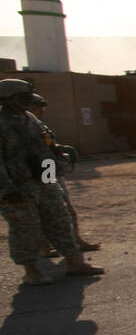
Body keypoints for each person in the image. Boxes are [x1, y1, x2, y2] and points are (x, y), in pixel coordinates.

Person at [0, 79, 104, 286]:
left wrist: (57, 163)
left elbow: (46, 146)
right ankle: (31, 270)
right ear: (8, 99)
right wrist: (8, 190)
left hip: (45, 179)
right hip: (18, 186)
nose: (28, 102)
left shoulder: (30, 119)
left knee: (60, 219)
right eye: (23, 98)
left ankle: (74, 262)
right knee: (25, 227)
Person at [24, 93, 99, 256]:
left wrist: (60, 149)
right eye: (38, 107)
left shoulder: (37, 125)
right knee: (42, 209)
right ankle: (44, 246)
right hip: (37, 171)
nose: (41, 111)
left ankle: (75, 240)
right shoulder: (19, 126)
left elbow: (48, 145)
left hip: (49, 168)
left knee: (63, 205)